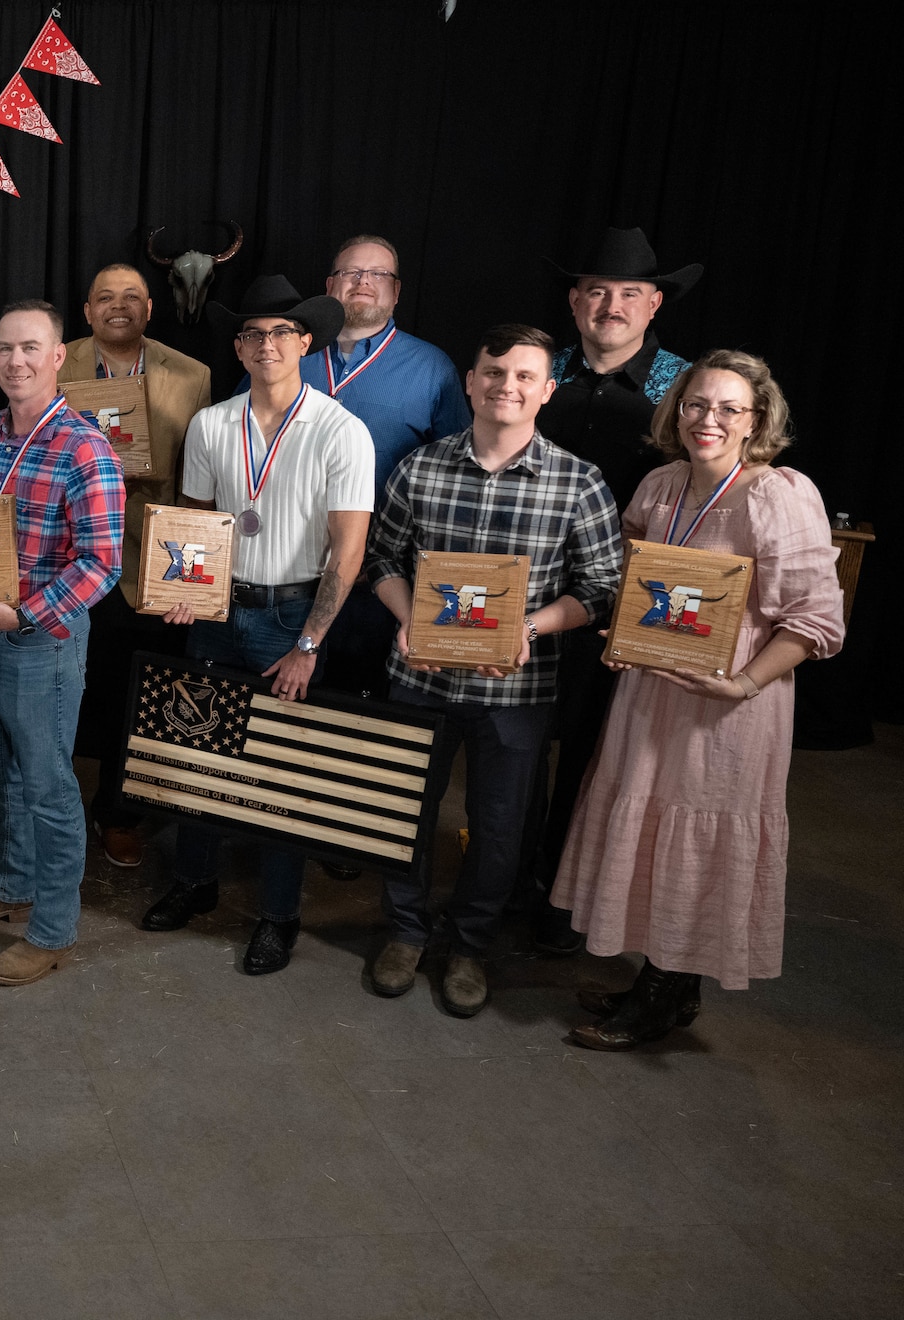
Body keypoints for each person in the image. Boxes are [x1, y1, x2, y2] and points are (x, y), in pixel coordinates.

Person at [553, 351, 843, 1049]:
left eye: (728, 409)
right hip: (652, 691)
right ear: (676, 410)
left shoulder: (779, 495)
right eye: (696, 404)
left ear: (756, 420)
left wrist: (742, 683)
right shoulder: (661, 484)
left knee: (698, 837)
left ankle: (659, 998)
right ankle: (669, 989)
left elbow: (817, 620)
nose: (708, 419)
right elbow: (632, 576)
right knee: (653, 829)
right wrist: (623, 632)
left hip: (726, 704)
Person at [364, 325, 623, 1017]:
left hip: (517, 689)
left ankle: (470, 945)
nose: (507, 386)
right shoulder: (421, 468)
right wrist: (408, 617)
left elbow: (603, 588)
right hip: (420, 676)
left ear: (548, 390)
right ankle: (406, 932)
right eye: (494, 372)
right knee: (403, 809)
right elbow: (382, 558)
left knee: (500, 826)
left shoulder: (579, 482)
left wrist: (529, 627)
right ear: (471, 382)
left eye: (524, 376)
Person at [137, 277, 373, 977]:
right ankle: (196, 881)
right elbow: (193, 525)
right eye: (252, 334)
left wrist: (309, 643)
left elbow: (349, 552)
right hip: (217, 609)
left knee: (280, 771)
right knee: (198, 751)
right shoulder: (212, 425)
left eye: (280, 333)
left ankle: (278, 914)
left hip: (290, 615)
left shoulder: (341, 430)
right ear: (238, 349)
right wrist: (184, 592)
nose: (266, 344)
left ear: (306, 343)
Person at [0, 301, 124, 987]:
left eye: (30, 348)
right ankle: (9, 889)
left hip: (41, 642)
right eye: (4, 348)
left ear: (58, 357)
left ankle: (53, 929)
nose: (15, 361)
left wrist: (23, 614)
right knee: (0, 773)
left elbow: (103, 563)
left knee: (47, 785)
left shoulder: (84, 447)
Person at [524, 227, 703, 953]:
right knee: (517, 746)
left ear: (654, 304)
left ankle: (565, 894)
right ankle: (510, 877)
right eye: (597, 291)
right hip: (532, 594)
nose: (612, 306)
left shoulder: (685, 391)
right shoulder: (541, 372)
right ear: (574, 301)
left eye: (630, 293)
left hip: (625, 603)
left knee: (597, 755)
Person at [62, 263, 212, 868]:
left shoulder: (192, 375)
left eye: (131, 297)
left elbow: (197, 482)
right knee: (71, 691)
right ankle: (56, 809)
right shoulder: (56, 364)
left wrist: (189, 576)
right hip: (71, 555)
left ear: (150, 309)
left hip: (152, 562)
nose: (117, 306)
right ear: (87, 311)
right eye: (104, 297)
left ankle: (119, 813)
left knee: (139, 695)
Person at [304, 235, 469, 704]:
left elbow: (454, 474)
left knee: (356, 711)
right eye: (351, 272)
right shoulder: (288, 353)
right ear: (329, 286)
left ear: (396, 292)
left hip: (375, 582)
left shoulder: (432, 368)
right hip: (287, 576)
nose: (363, 282)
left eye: (378, 274)